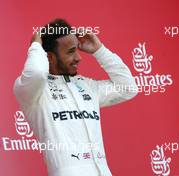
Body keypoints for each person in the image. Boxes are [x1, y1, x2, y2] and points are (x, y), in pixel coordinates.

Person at [13, 19, 138, 176]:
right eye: (71, 51)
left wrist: (99, 50)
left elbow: (128, 88)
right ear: (50, 58)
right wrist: (36, 45)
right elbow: (37, 73)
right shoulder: (34, 92)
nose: (79, 58)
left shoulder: (87, 86)